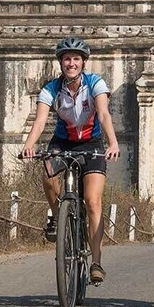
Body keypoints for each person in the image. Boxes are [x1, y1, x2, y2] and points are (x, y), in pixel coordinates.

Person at [22, 37, 119, 284]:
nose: (71, 63)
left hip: (91, 143)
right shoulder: (51, 89)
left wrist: (113, 142)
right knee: (48, 173)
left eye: (76, 59)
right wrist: (29, 144)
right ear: (61, 63)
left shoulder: (95, 83)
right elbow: (41, 120)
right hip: (62, 142)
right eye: (67, 59)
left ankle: (96, 262)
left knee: (92, 201)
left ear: (83, 62)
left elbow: (104, 113)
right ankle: (59, 216)